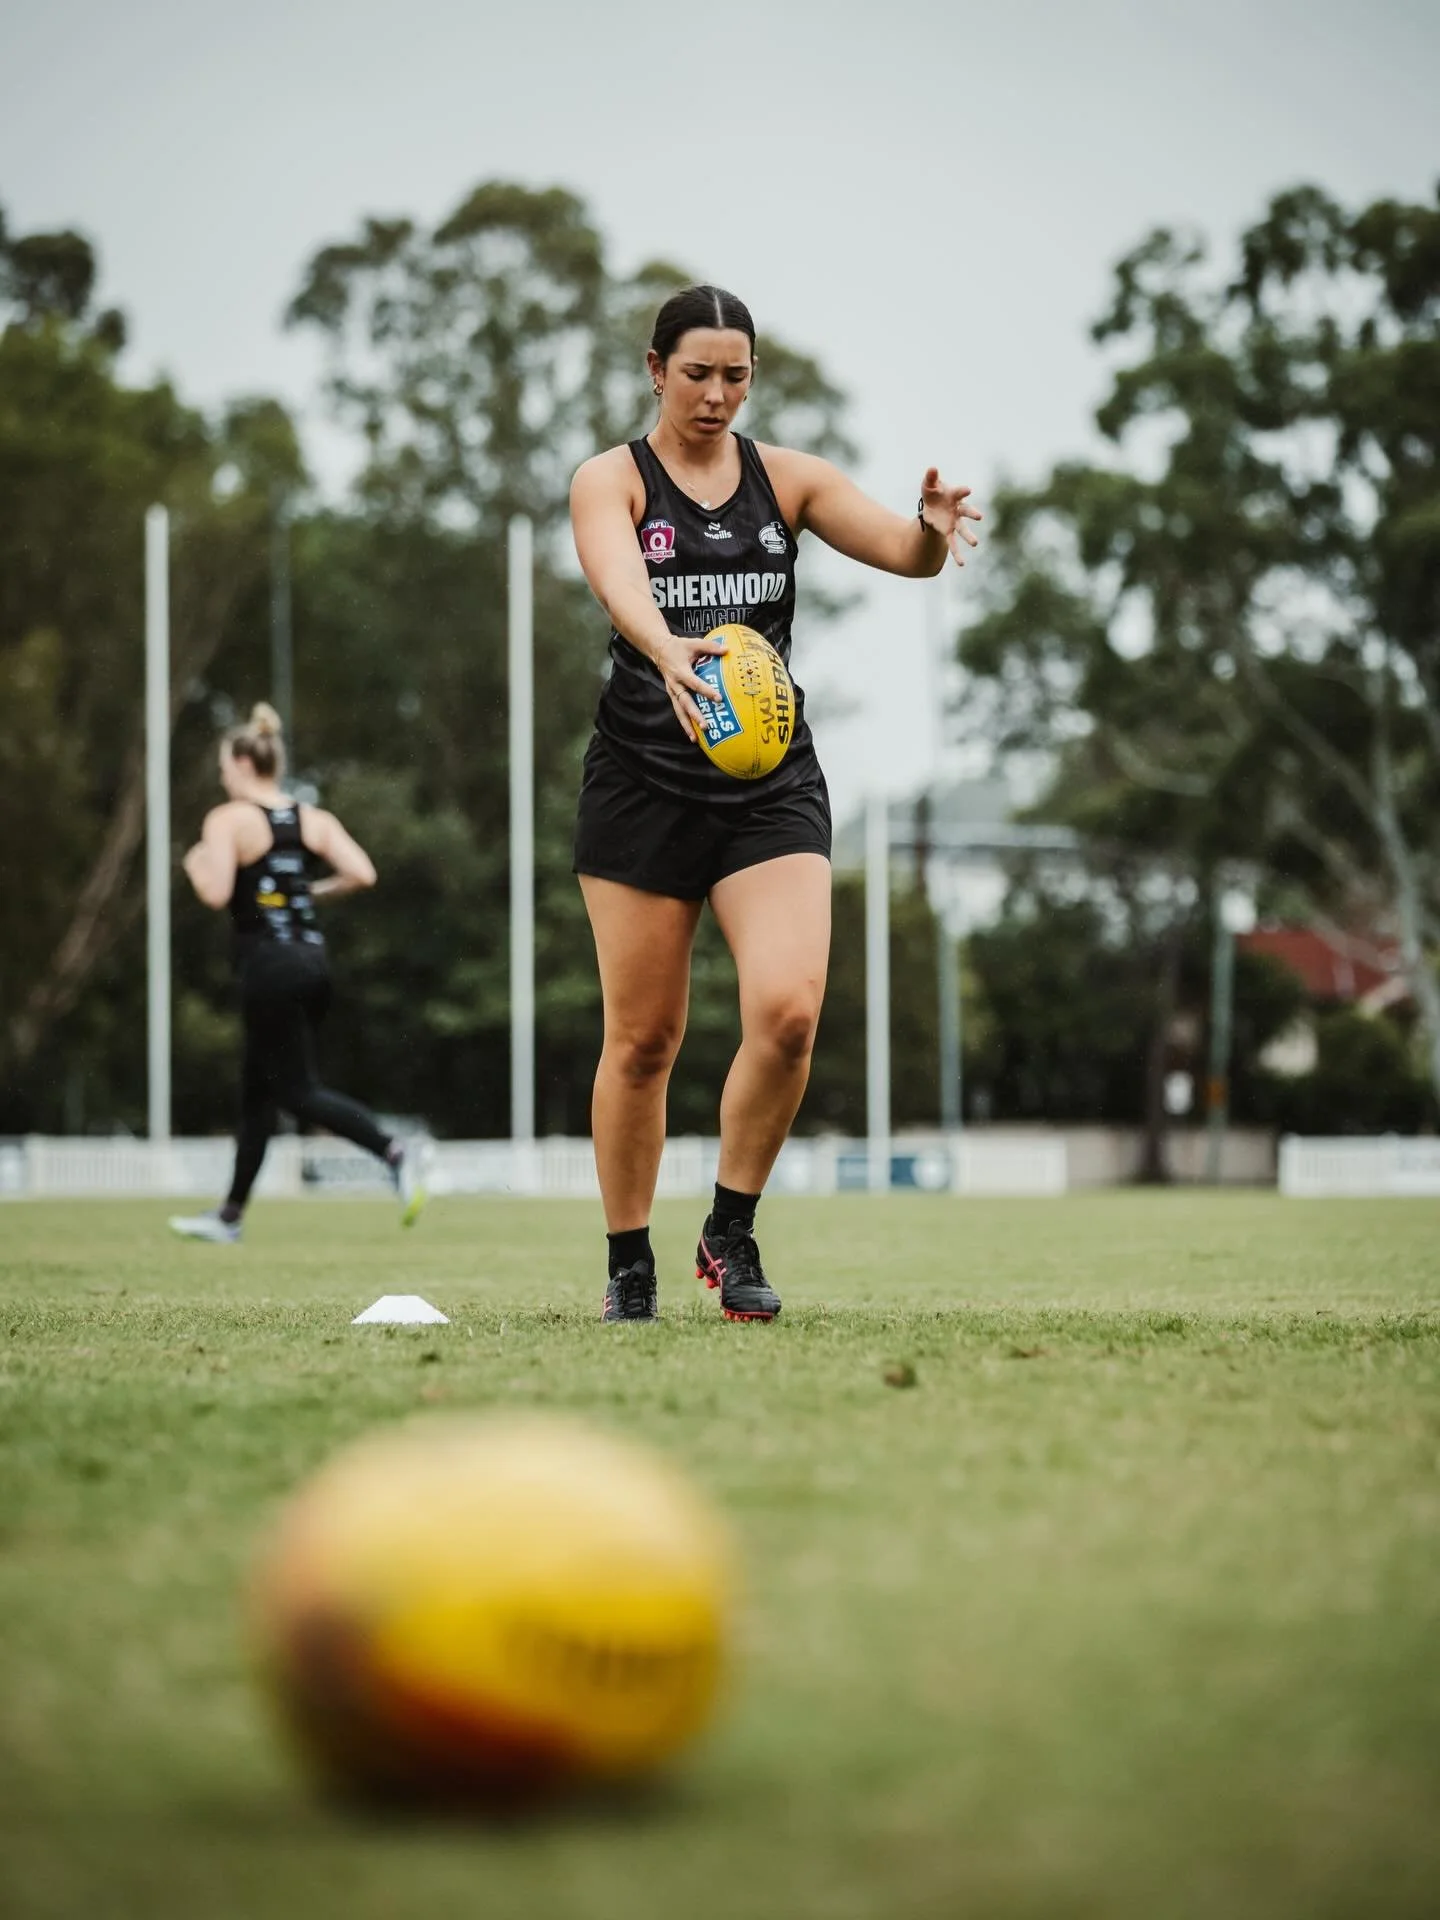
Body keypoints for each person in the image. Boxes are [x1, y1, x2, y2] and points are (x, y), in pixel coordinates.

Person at [570, 284, 980, 1323]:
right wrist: (667, 651)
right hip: (641, 786)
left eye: (736, 376)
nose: (716, 395)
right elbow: (619, 580)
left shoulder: (787, 480)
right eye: (697, 373)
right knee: (644, 1040)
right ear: (655, 369)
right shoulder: (608, 480)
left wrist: (931, 533)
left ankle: (730, 1227)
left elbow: (903, 554)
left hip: (768, 787)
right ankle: (629, 1260)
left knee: (791, 1014)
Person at [168, 703, 426, 1243]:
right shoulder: (312, 819)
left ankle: (393, 1152)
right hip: (312, 963)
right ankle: (229, 1216)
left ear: (241, 761)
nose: (221, 775)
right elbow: (362, 873)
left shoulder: (227, 819)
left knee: (295, 1090)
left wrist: (194, 864)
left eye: (223, 766)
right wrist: (310, 891)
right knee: (258, 1092)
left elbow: (215, 892)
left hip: (268, 966)